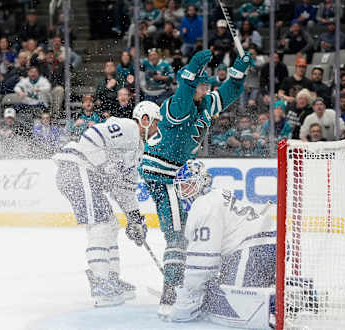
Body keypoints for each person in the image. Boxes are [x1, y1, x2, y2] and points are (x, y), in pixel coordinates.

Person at [138, 49, 251, 316]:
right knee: (176, 234)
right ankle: (171, 294)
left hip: (178, 176)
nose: (205, 89)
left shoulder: (207, 104)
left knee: (190, 230)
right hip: (162, 175)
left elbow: (228, 94)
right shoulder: (175, 105)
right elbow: (181, 104)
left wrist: (237, 74)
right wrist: (189, 76)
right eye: (200, 85)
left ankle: (187, 280)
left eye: (205, 86)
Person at [53, 101, 163, 307]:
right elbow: (91, 135)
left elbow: (125, 188)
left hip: (85, 173)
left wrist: (134, 218)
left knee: (110, 224)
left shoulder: (137, 151)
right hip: (76, 168)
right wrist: (105, 165)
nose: (157, 129)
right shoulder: (129, 128)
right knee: (101, 224)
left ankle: (110, 278)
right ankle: (100, 283)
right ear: (145, 119)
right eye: (156, 123)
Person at [168, 161, 276, 329]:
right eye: (181, 188)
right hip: (270, 245)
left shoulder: (203, 205)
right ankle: (286, 295)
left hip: (254, 249)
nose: (184, 192)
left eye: (188, 186)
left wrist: (190, 294)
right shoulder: (217, 196)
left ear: (202, 183)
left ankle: (274, 307)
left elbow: (203, 262)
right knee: (231, 288)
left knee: (236, 307)